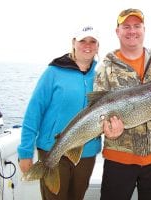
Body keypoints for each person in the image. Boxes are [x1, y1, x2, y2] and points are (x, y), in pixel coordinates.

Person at [93, 8, 151, 200]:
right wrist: (106, 129)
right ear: (117, 31)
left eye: (137, 26)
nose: (132, 31)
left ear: (144, 29)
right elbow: (97, 108)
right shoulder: (106, 68)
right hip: (119, 158)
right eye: (126, 26)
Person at [17, 25, 102, 200]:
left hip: (86, 153)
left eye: (92, 41)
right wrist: (25, 152)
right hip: (52, 151)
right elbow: (34, 112)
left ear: (98, 45)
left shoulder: (102, 74)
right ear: (73, 43)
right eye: (82, 41)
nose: (87, 45)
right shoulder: (53, 72)